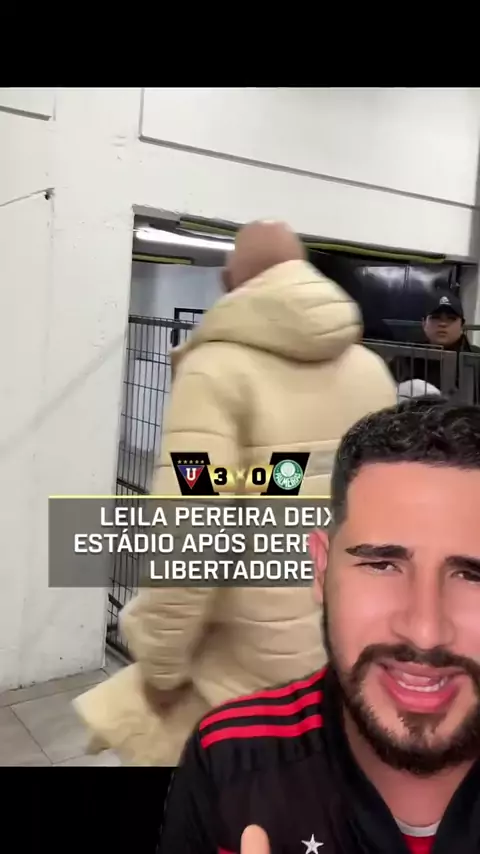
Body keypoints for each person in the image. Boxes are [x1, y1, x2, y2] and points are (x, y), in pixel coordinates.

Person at [74, 220, 396, 766]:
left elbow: (193, 524)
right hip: (342, 651)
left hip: (244, 671)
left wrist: (161, 662)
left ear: (231, 281)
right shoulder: (372, 372)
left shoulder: (215, 371)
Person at [158, 398, 480, 854]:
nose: (425, 632)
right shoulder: (229, 760)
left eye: (473, 576)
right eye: (381, 565)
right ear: (321, 568)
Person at [394, 290, 480, 401]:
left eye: (451, 318)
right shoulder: (407, 357)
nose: (443, 324)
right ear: (424, 323)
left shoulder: (476, 359)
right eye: (435, 317)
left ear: (462, 326)